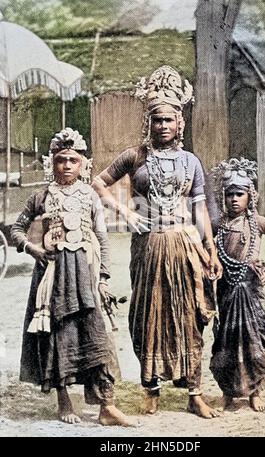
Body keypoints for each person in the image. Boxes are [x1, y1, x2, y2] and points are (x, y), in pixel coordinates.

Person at [92, 66, 223, 419]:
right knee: (148, 315)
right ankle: (150, 389)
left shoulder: (191, 161)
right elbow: (98, 182)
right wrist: (124, 211)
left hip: (183, 245)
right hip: (148, 247)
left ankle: (194, 392)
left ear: (180, 123)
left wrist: (210, 249)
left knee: (189, 316)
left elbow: (200, 211)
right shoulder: (135, 156)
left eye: (169, 120)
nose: (163, 125)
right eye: (157, 119)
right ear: (148, 122)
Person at [11, 128, 135, 426]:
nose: (67, 165)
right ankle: (64, 401)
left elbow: (103, 239)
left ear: (84, 164)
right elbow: (16, 229)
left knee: (97, 335)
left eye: (73, 160)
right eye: (60, 160)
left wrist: (103, 278)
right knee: (59, 334)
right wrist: (33, 248)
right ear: (51, 163)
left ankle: (107, 406)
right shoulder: (40, 197)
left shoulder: (91, 197)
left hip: (86, 275)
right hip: (53, 279)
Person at [209, 157, 265, 412]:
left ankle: (255, 391)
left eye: (240, 194)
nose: (234, 199)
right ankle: (229, 392)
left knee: (253, 343)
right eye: (230, 194)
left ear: (250, 196)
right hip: (226, 290)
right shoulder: (218, 225)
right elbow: (205, 248)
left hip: (251, 291)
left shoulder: (258, 223)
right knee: (226, 343)